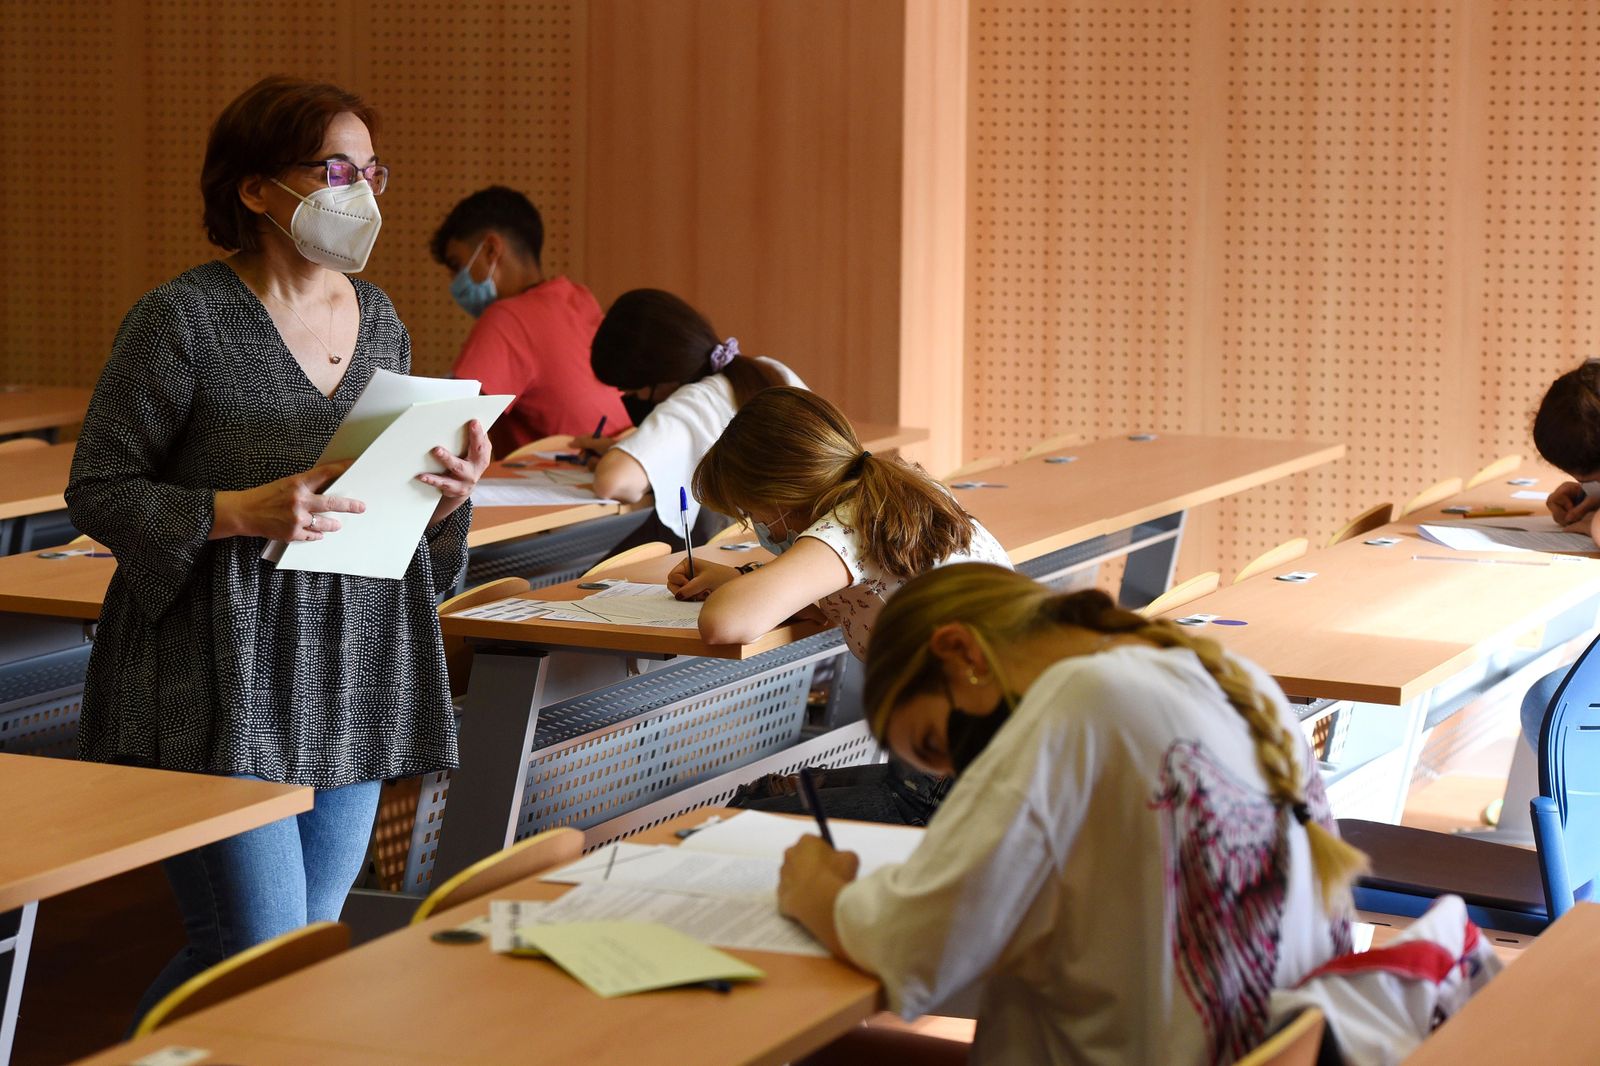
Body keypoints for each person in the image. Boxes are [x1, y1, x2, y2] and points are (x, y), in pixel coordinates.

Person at [65, 76, 489, 1023]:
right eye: (334, 167)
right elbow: (97, 489)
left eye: (370, 168)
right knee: (253, 952)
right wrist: (233, 512)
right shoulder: (181, 319)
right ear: (256, 189)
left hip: (352, 658)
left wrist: (446, 498)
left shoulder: (377, 315)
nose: (362, 190)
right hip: (217, 667)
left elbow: (393, 510)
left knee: (303, 951)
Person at [776, 564, 1367, 1065]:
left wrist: (818, 894)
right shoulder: (1234, 679)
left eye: (937, 743)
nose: (959, 776)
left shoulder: (1080, 701)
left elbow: (912, 953)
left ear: (960, 652)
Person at [669, 387, 1010, 658]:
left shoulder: (845, 529)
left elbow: (723, 623)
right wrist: (741, 578)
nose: (754, 524)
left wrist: (738, 590)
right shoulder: (901, 492)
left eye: (750, 512)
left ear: (778, 497)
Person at [582, 288, 801, 541]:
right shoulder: (770, 368)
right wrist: (628, 448)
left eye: (631, 391)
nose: (632, 401)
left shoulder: (688, 404)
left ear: (658, 378)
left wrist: (616, 457)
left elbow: (614, 482)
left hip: (746, 549)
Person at [431, 186, 629, 455]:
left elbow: (449, 429)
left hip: (564, 483)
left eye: (457, 266)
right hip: (621, 464)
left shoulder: (506, 318)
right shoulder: (578, 297)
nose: (455, 283)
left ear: (491, 249)